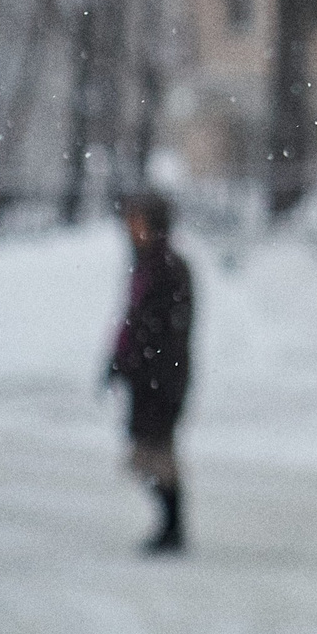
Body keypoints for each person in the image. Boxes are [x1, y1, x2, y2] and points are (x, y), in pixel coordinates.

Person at [107, 189, 193, 555]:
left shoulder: (168, 266)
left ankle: (172, 527)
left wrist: (151, 367)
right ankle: (170, 525)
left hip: (161, 377)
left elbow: (166, 328)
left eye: (138, 218)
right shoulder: (145, 264)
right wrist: (118, 361)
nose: (131, 226)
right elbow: (132, 322)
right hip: (145, 376)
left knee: (153, 453)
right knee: (147, 453)